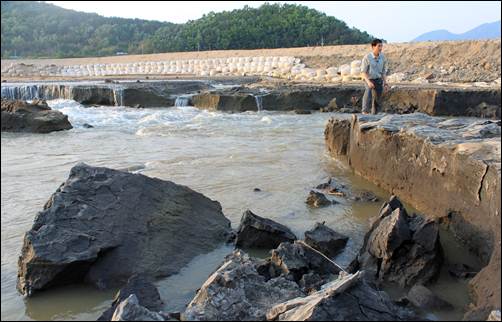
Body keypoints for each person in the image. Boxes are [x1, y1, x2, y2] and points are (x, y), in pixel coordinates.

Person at [361, 39, 389, 114]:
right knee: (368, 92)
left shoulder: (383, 57)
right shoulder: (367, 57)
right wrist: (368, 82)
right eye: (378, 46)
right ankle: (365, 111)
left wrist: (385, 83)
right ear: (373, 47)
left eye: (381, 46)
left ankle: (375, 114)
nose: (380, 48)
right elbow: (363, 72)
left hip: (378, 79)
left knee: (377, 98)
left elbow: (383, 72)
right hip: (369, 79)